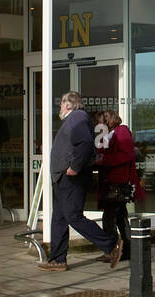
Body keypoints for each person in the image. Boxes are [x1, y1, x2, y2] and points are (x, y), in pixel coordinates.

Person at [38, 92, 122, 271]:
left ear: (68, 105)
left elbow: (84, 143)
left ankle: (111, 243)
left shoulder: (77, 118)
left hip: (71, 178)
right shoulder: (75, 120)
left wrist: (74, 167)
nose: (60, 107)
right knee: (59, 219)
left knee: (73, 216)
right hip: (63, 177)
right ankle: (58, 259)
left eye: (61, 103)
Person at [95, 108, 141, 262]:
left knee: (109, 217)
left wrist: (104, 160)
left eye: (101, 121)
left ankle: (113, 250)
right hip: (112, 181)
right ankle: (127, 251)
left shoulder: (121, 132)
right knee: (121, 218)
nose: (99, 124)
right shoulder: (109, 134)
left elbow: (127, 155)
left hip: (118, 182)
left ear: (108, 120)